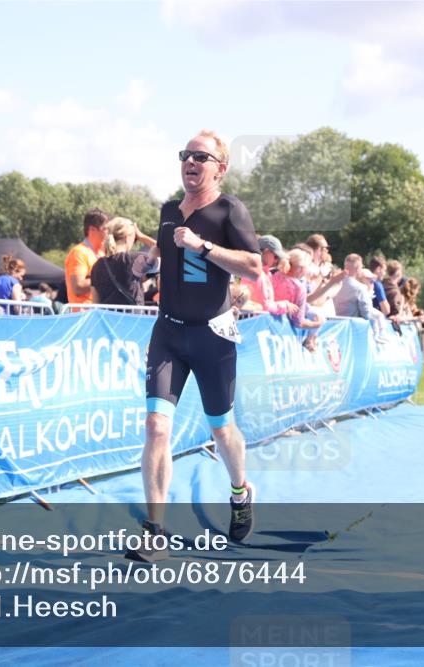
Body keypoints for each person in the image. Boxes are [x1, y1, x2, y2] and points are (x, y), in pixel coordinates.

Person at [138, 130, 263, 560]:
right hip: (168, 332)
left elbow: (253, 268)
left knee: (221, 430)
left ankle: (239, 490)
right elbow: (166, 252)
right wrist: (149, 261)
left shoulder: (230, 210)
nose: (190, 161)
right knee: (156, 426)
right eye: (185, 155)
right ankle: (155, 531)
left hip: (213, 334)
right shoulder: (169, 210)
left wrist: (203, 246)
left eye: (201, 156)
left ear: (219, 167)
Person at [90, 217, 158, 306]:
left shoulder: (97, 266)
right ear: (127, 238)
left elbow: (95, 303)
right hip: (133, 318)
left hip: (107, 318)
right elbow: (165, 253)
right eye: (135, 239)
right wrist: (142, 236)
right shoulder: (134, 259)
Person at [272, 248, 326, 350]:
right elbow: (298, 322)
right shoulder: (299, 288)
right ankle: (310, 341)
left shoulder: (274, 275)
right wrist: (316, 324)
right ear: (302, 268)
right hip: (279, 334)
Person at [239, 235, 297, 317]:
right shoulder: (258, 274)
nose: (277, 260)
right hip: (253, 322)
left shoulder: (265, 273)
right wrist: (285, 305)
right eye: (276, 256)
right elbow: (264, 306)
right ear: (266, 251)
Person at [65, 207, 109, 307]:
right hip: (83, 315)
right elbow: (78, 288)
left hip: (98, 313)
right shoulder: (79, 252)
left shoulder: (102, 253)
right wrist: (106, 277)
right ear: (92, 229)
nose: (108, 232)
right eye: (105, 229)